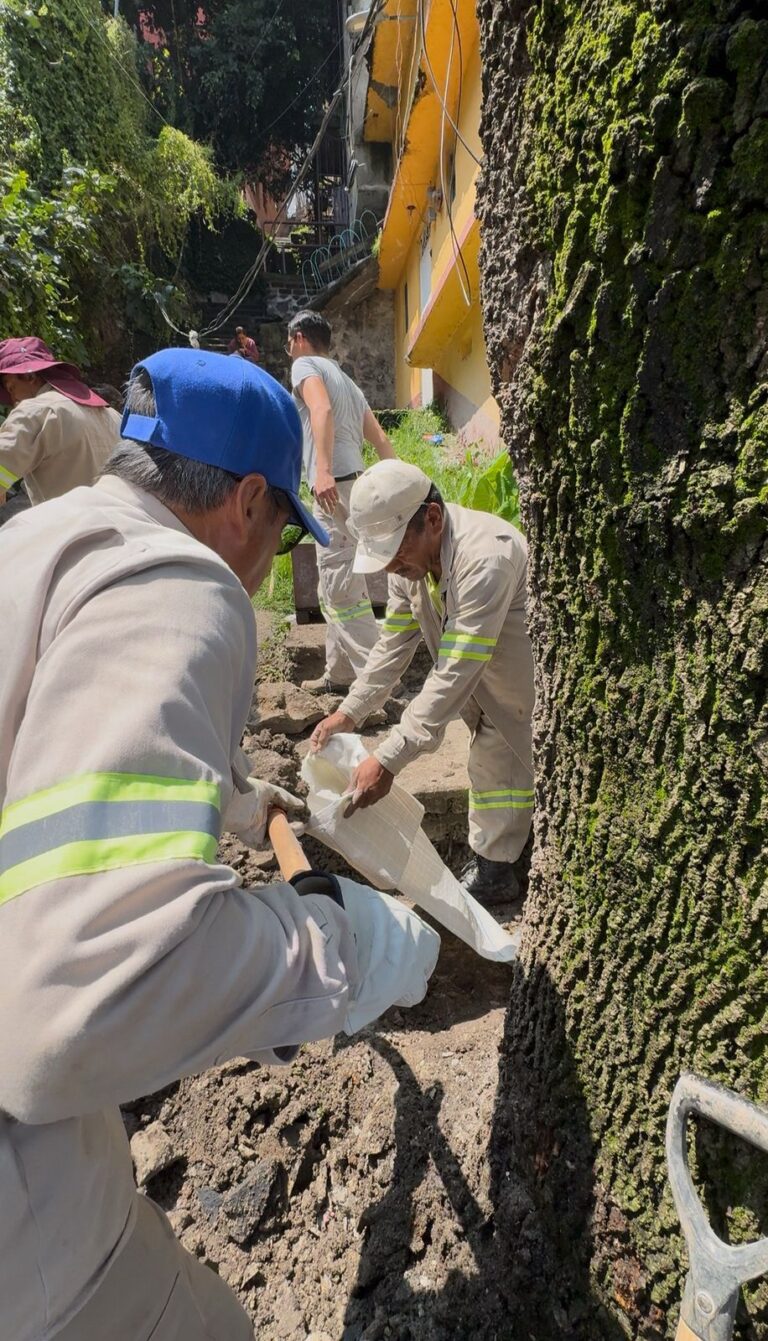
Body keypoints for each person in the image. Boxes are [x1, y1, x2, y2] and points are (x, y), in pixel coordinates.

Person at [0, 350, 438, 1341]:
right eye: (286, 528)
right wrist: (345, 948)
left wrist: (241, 799)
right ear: (247, 498)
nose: (277, 557)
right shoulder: (179, 583)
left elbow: (43, 740)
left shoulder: (36, 545)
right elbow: (83, 1003)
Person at [310, 459, 535, 905]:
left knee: (514, 766)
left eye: (395, 551)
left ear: (432, 518)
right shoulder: (412, 567)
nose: (390, 565)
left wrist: (390, 758)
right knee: (499, 770)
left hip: (521, 691)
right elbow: (392, 645)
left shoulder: (487, 557)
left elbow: (454, 669)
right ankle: (501, 866)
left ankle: (503, 868)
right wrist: (349, 712)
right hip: (492, 697)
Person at [286, 309, 397, 694]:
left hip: (333, 491)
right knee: (343, 582)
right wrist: (398, 481)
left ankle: (377, 684)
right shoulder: (347, 381)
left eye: (289, 343)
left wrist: (323, 470)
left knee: (340, 590)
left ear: (299, 338)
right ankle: (340, 676)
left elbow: (321, 409)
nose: (289, 351)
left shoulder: (304, 368)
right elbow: (380, 439)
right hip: (356, 488)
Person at [0, 336, 121, 506]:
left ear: (30, 377)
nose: (13, 399)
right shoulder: (112, 416)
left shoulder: (36, 412)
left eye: (11, 388)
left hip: (70, 529)